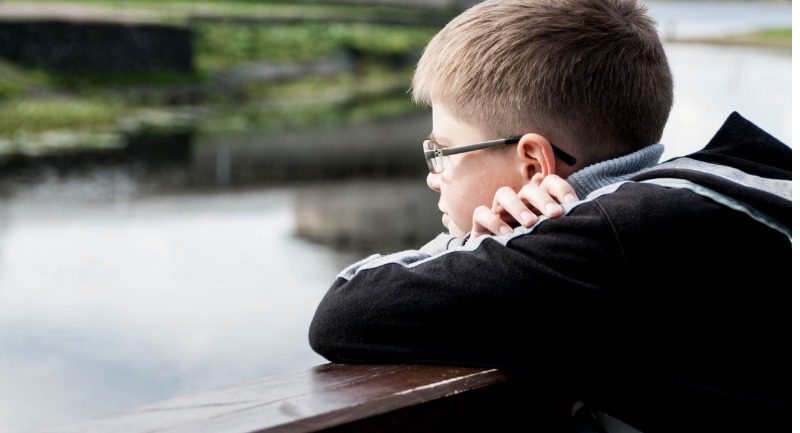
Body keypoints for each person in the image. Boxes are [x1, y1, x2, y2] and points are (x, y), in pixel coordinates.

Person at [308, 0, 790, 431]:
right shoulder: (729, 179)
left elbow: (346, 311)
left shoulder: (605, 241)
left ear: (533, 163)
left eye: (443, 152)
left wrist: (477, 247)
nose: (434, 176)